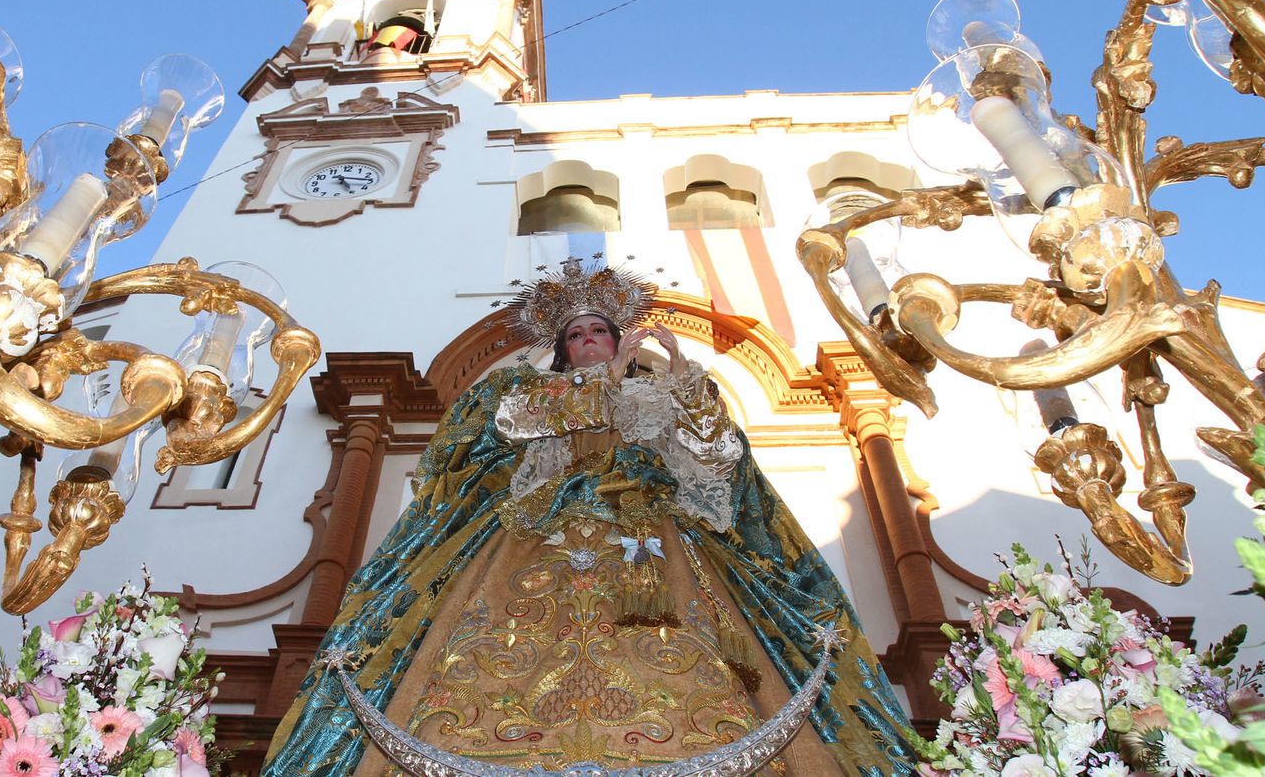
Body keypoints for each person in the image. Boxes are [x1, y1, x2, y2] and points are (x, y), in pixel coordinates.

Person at [266, 260, 916, 775]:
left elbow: (718, 459)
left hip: (645, 544)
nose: (586, 341)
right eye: (574, 335)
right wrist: (603, 384)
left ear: (619, 338)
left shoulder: (654, 393)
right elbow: (495, 432)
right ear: (560, 349)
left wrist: (684, 378)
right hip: (534, 542)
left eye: (598, 332)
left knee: (674, 655)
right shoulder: (523, 393)